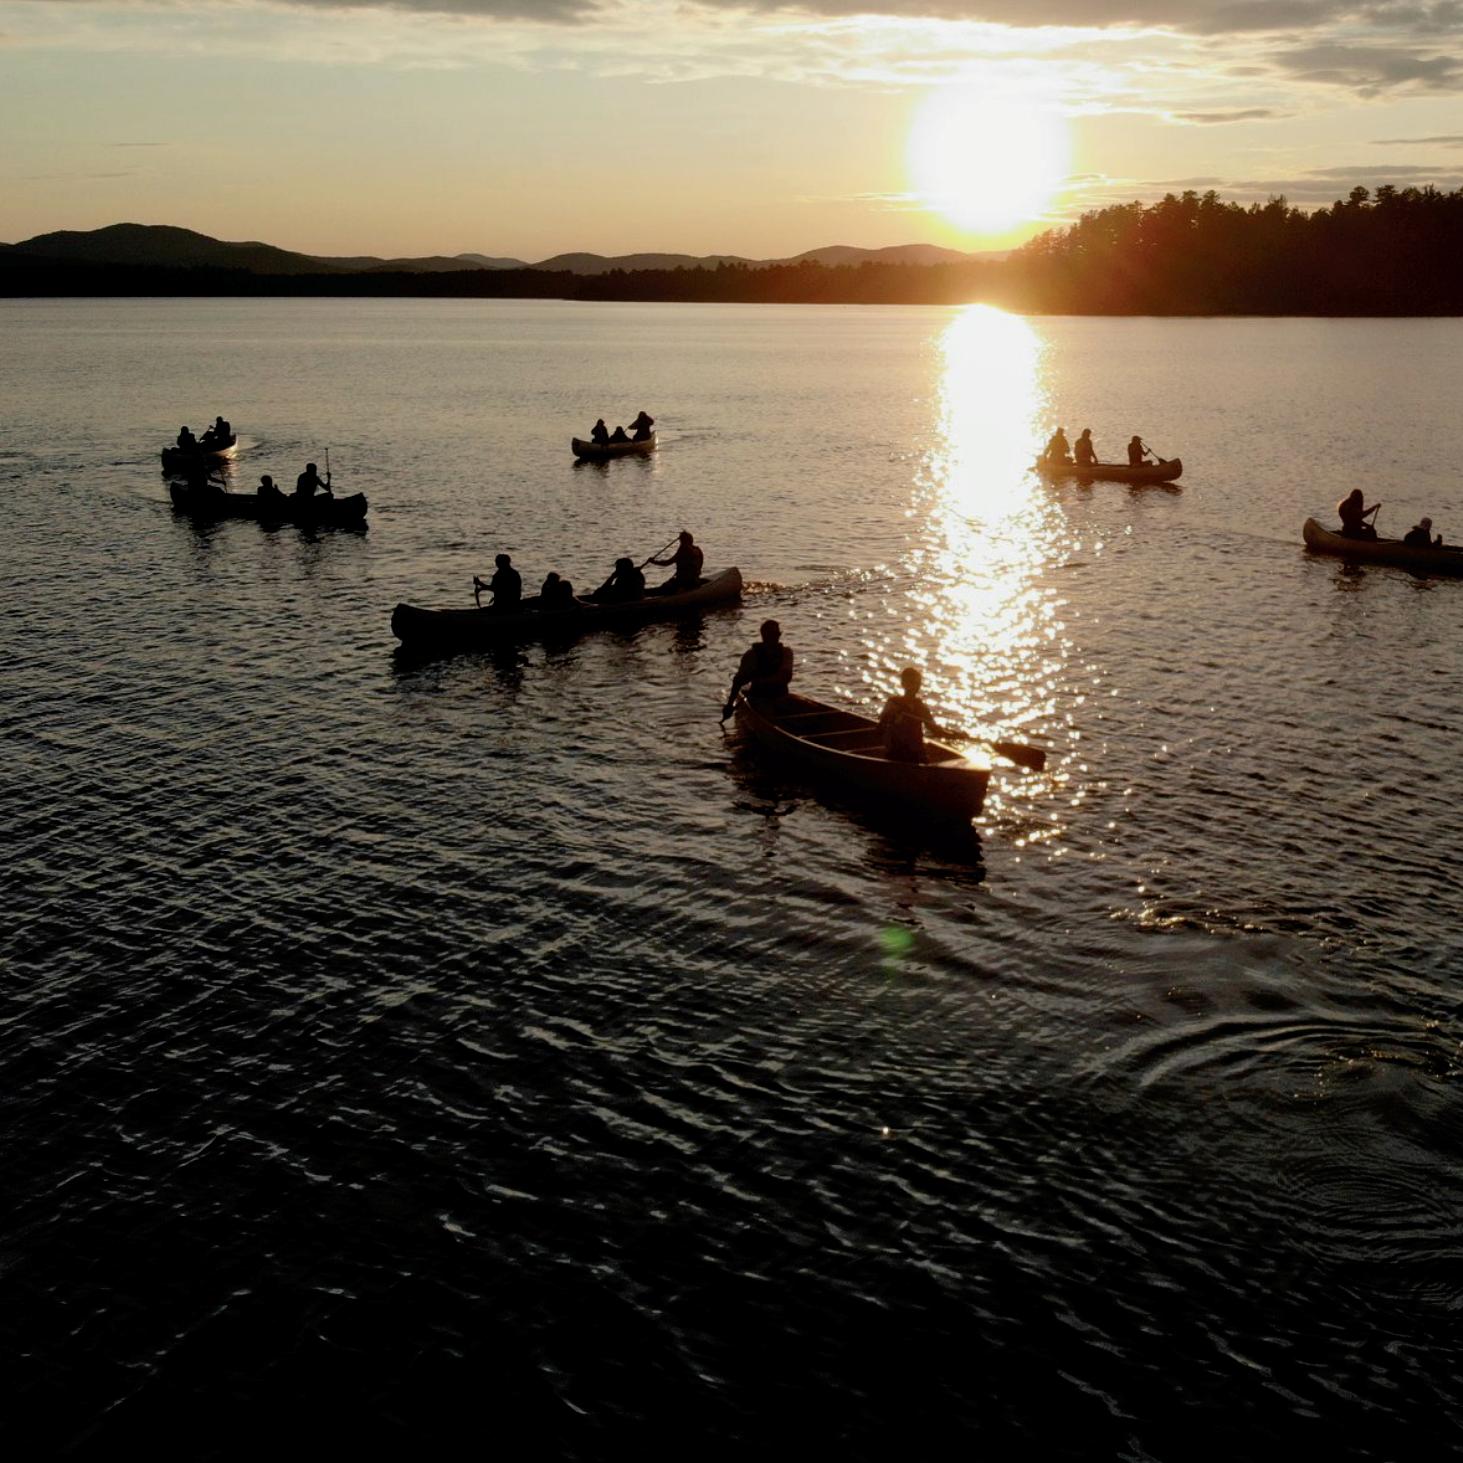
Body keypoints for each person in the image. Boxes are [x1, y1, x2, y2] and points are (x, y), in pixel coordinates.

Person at [877, 667, 955, 764]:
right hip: (896, 753)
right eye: (911, 682)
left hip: (915, 754)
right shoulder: (893, 703)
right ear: (903, 684)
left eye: (917, 683)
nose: (914, 686)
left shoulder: (921, 707)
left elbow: (935, 730)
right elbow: (880, 729)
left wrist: (955, 736)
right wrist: (891, 717)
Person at [723, 620, 794, 717]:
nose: (775, 637)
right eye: (771, 634)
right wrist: (730, 704)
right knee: (769, 711)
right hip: (759, 700)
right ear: (764, 635)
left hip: (781, 698)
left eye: (777, 634)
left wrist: (760, 681)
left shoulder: (786, 653)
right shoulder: (752, 655)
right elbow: (738, 681)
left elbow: (786, 677)